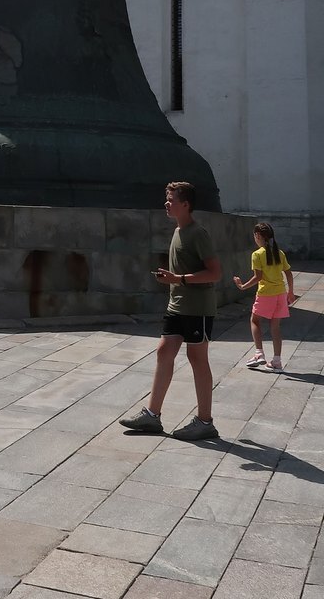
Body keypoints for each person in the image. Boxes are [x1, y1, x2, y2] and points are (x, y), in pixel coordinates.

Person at [120, 181, 222, 441]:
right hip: (176, 305)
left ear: (185, 204)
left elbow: (215, 273)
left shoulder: (198, 233)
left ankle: (205, 421)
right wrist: (173, 278)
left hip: (197, 307)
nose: (166, 203)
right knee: (164, 351)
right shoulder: (178, 230)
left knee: (197, 358)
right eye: (166, 199)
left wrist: (179, 278)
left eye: (171, 200)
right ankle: (152, 416)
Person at [234, 221, 297, 372]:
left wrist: (242, 286)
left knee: (255, 320)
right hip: (280, 294)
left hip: (265, 294)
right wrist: (291, 292)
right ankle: (277, 361)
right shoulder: (279, 253)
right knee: (275, 327)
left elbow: (258, 277)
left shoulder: (257, 254)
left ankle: (259, 353)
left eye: (255, 236)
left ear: (258, 236)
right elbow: (288, 273)